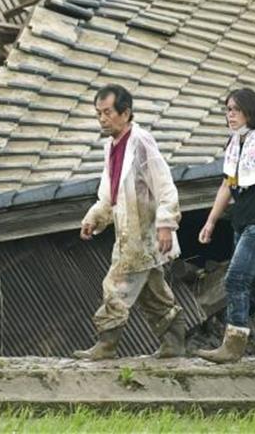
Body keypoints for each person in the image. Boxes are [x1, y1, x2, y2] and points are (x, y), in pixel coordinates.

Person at [73, 84, 187, 360]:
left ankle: (107, 345)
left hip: (143, 234)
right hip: (129, 233)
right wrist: (96, 217)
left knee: (115, 285)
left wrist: (165, 225)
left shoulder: (141, 142)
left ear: (125, 113)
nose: (102, 119)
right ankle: (174, 344)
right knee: (153, 294)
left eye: (108, 112)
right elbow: (110, 193)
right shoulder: (111, 147)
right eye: (98, 113)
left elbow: (165, 186)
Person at [196, 87, 255, 364]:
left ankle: (234, 344)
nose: (230, 115)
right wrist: (211, 220)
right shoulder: (235, 143)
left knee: (236, 278)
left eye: (235, 110)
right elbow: (228, 184)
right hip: (242, 221)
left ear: (250, 112)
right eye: (227, 110)